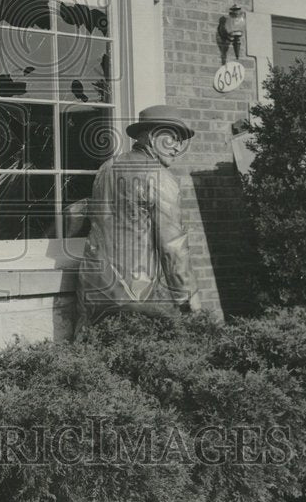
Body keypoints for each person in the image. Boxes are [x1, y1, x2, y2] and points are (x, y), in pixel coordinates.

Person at [75, 104, 211, 332]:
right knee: (138, 359)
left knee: (94, 358)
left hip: (93, 286)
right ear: (151, 136)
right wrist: (189, 297)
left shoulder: (107, 167)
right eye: (173, 138)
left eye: (181, 140)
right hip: (135, 295)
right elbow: (173, 247)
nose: (178, 148)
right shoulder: (160, 178)